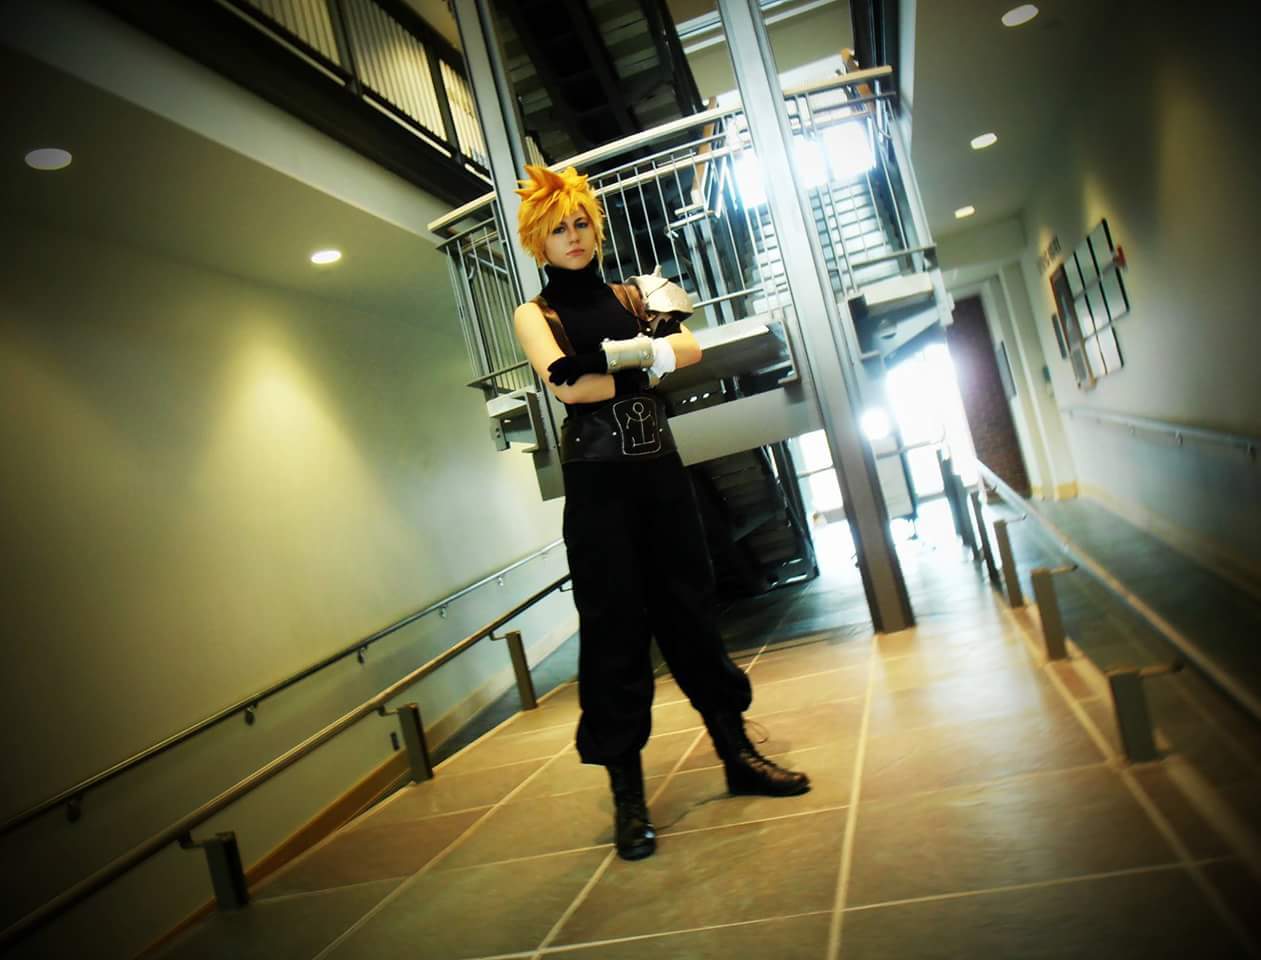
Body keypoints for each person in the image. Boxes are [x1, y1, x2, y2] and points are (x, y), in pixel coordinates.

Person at [511, 165, 809, 862]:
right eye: (557, 229)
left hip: (661, 478)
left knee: (692, 614)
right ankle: (629, 800)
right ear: (538, 241)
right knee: (613, 634)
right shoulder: (534, 313)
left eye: (580, 223)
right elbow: (571, 391)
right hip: (598, 491)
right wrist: (646, 358)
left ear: (594, 227)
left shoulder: (632, 292)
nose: (573, 236)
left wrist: (613, 359)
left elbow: (690, 348)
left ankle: (738, 757)